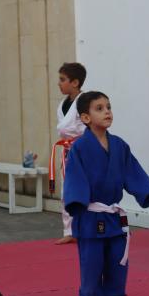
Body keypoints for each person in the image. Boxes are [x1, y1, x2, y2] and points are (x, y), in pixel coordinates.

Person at [63, 91, 149, 296]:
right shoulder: (80, 147)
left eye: (108, 107)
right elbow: (75, 177)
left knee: (118, 257)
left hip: (114, 215)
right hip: (90, 214)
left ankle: (115, 294)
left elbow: (132, 171)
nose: (107, 112)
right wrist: (77, 202)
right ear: (86, 117)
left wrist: (145, 192)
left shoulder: (119, 145)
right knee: (92, 260)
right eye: (99, 108)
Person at [50, 62, 87, 245]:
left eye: (62, 79)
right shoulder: (63, 104)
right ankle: (69, 230)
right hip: (67, 152)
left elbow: (90, 127)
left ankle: (89, 229)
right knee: (67, 191)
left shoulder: (85, 101)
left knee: (88, 190)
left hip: (84, 152)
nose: (59, 83)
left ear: (75, 82)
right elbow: (64, 129)